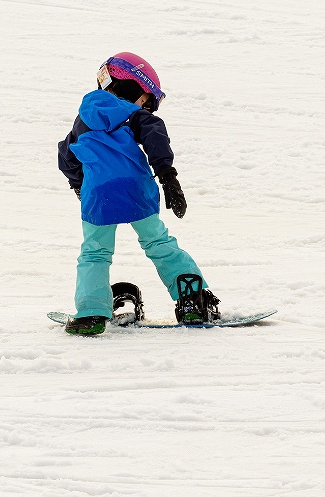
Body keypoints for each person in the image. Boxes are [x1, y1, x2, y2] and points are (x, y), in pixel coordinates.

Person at [57, 52, 220, 335]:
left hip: (98, 195)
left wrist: (80, 186)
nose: (146, 107)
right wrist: (168, 177)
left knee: (95, 253)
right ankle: (192, 300)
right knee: (158, 243)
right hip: (135, 190)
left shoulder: (82, 120)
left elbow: (65, 155)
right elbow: (155, 135)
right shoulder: (134, 115)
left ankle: (90, 312)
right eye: (145, 100)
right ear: (133, 87)